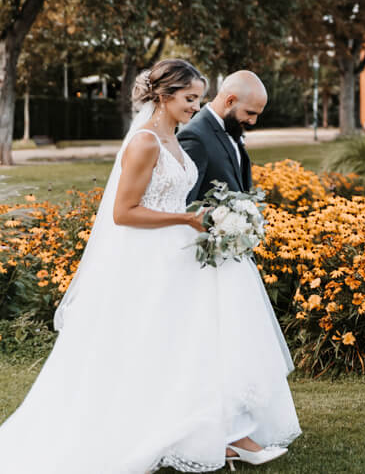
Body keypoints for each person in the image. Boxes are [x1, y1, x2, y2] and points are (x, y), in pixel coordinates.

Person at [0, 59, 300, 473]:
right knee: (153, 346)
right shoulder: (144, 142)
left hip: (179, 252)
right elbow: (124, 213)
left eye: (198, 99)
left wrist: (213, 219)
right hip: (150, 259)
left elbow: (181, 197)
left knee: (192, 347)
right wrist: (186, 219)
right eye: (190, 99)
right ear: (164, 96)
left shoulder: (174, 138)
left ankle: (214, 432)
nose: (196, 107)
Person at [178, 71, 267, 204]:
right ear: (230, 101)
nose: (253, 121)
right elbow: (184, 205)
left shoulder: (232, 126)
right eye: (250, 112)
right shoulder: (194, 138)